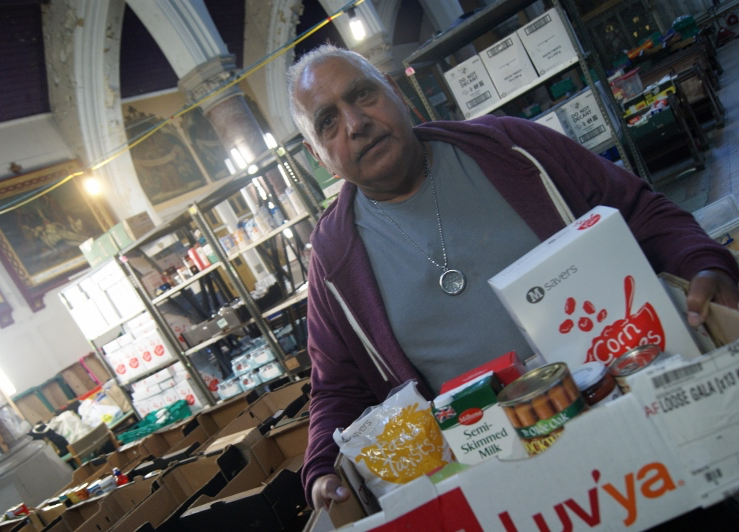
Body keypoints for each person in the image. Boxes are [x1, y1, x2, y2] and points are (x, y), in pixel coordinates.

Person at [286, 44, 739, 510]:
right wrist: (321, 466)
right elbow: (336, 386)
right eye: (328, 122)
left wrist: (703, 263)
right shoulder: (333, 260)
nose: (355, 123)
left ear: (396, 93)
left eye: (363, 95)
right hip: (517, 488)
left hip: (638, 405)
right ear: (318, 155)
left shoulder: (511, 149)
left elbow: (639, 211)